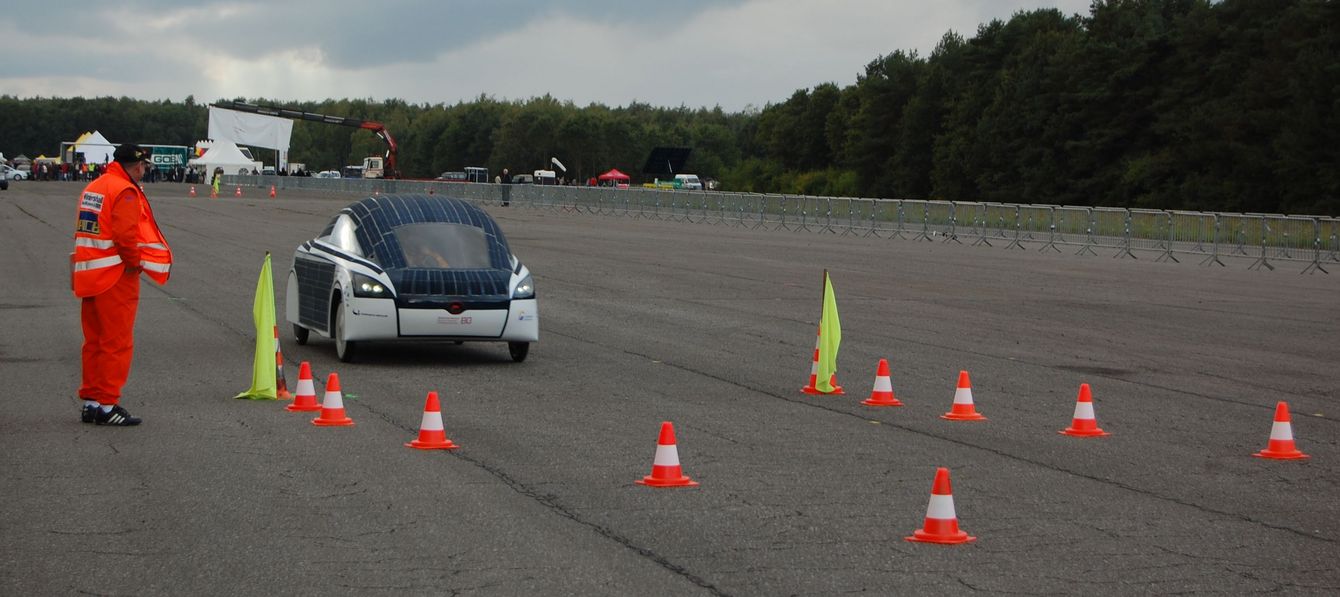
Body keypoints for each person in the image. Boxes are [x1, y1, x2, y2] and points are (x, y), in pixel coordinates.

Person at [71, 144, 173, 426]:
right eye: (144, 167)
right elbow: (126, 237)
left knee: (94, 342)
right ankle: (107, 405)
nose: (144, 171)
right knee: (116, 343)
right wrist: (135, 263)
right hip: (115, 277)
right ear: (138, 166)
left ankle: (91, 402)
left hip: (89, 273)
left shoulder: (95, 186)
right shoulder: (125, 191)